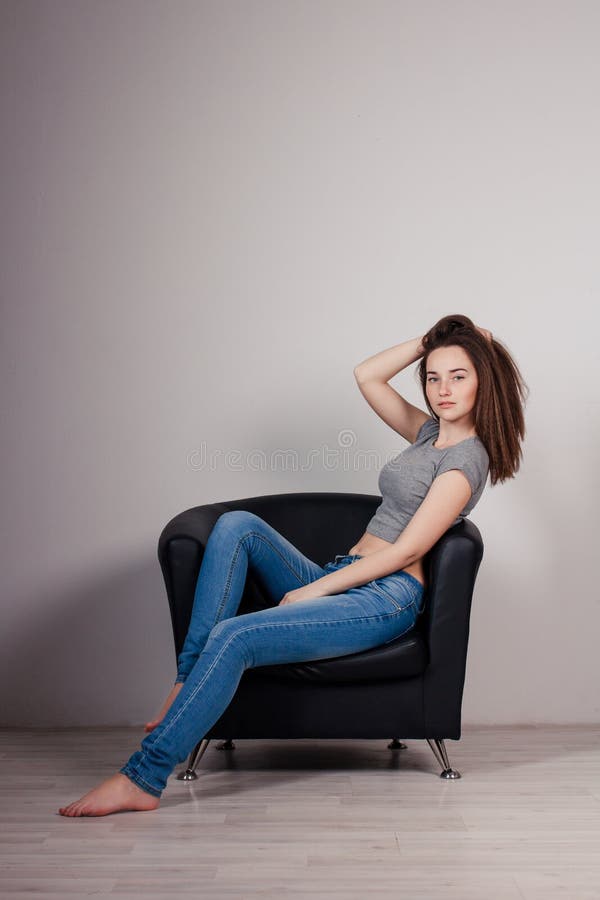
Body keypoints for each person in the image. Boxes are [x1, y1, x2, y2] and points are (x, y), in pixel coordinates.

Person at [59, 314, 527, 817]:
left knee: (235, 635)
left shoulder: (466, 460)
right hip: (347, 570)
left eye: (459, 375)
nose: (442, 389)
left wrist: (314, 591)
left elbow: (407, 552)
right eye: (434, 377)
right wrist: (436, 340)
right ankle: (186, 682)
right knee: (238, 525)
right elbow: (367, 375)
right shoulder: (428, 433)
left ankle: (143, 778)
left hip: (383, 597)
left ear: (484, 379)